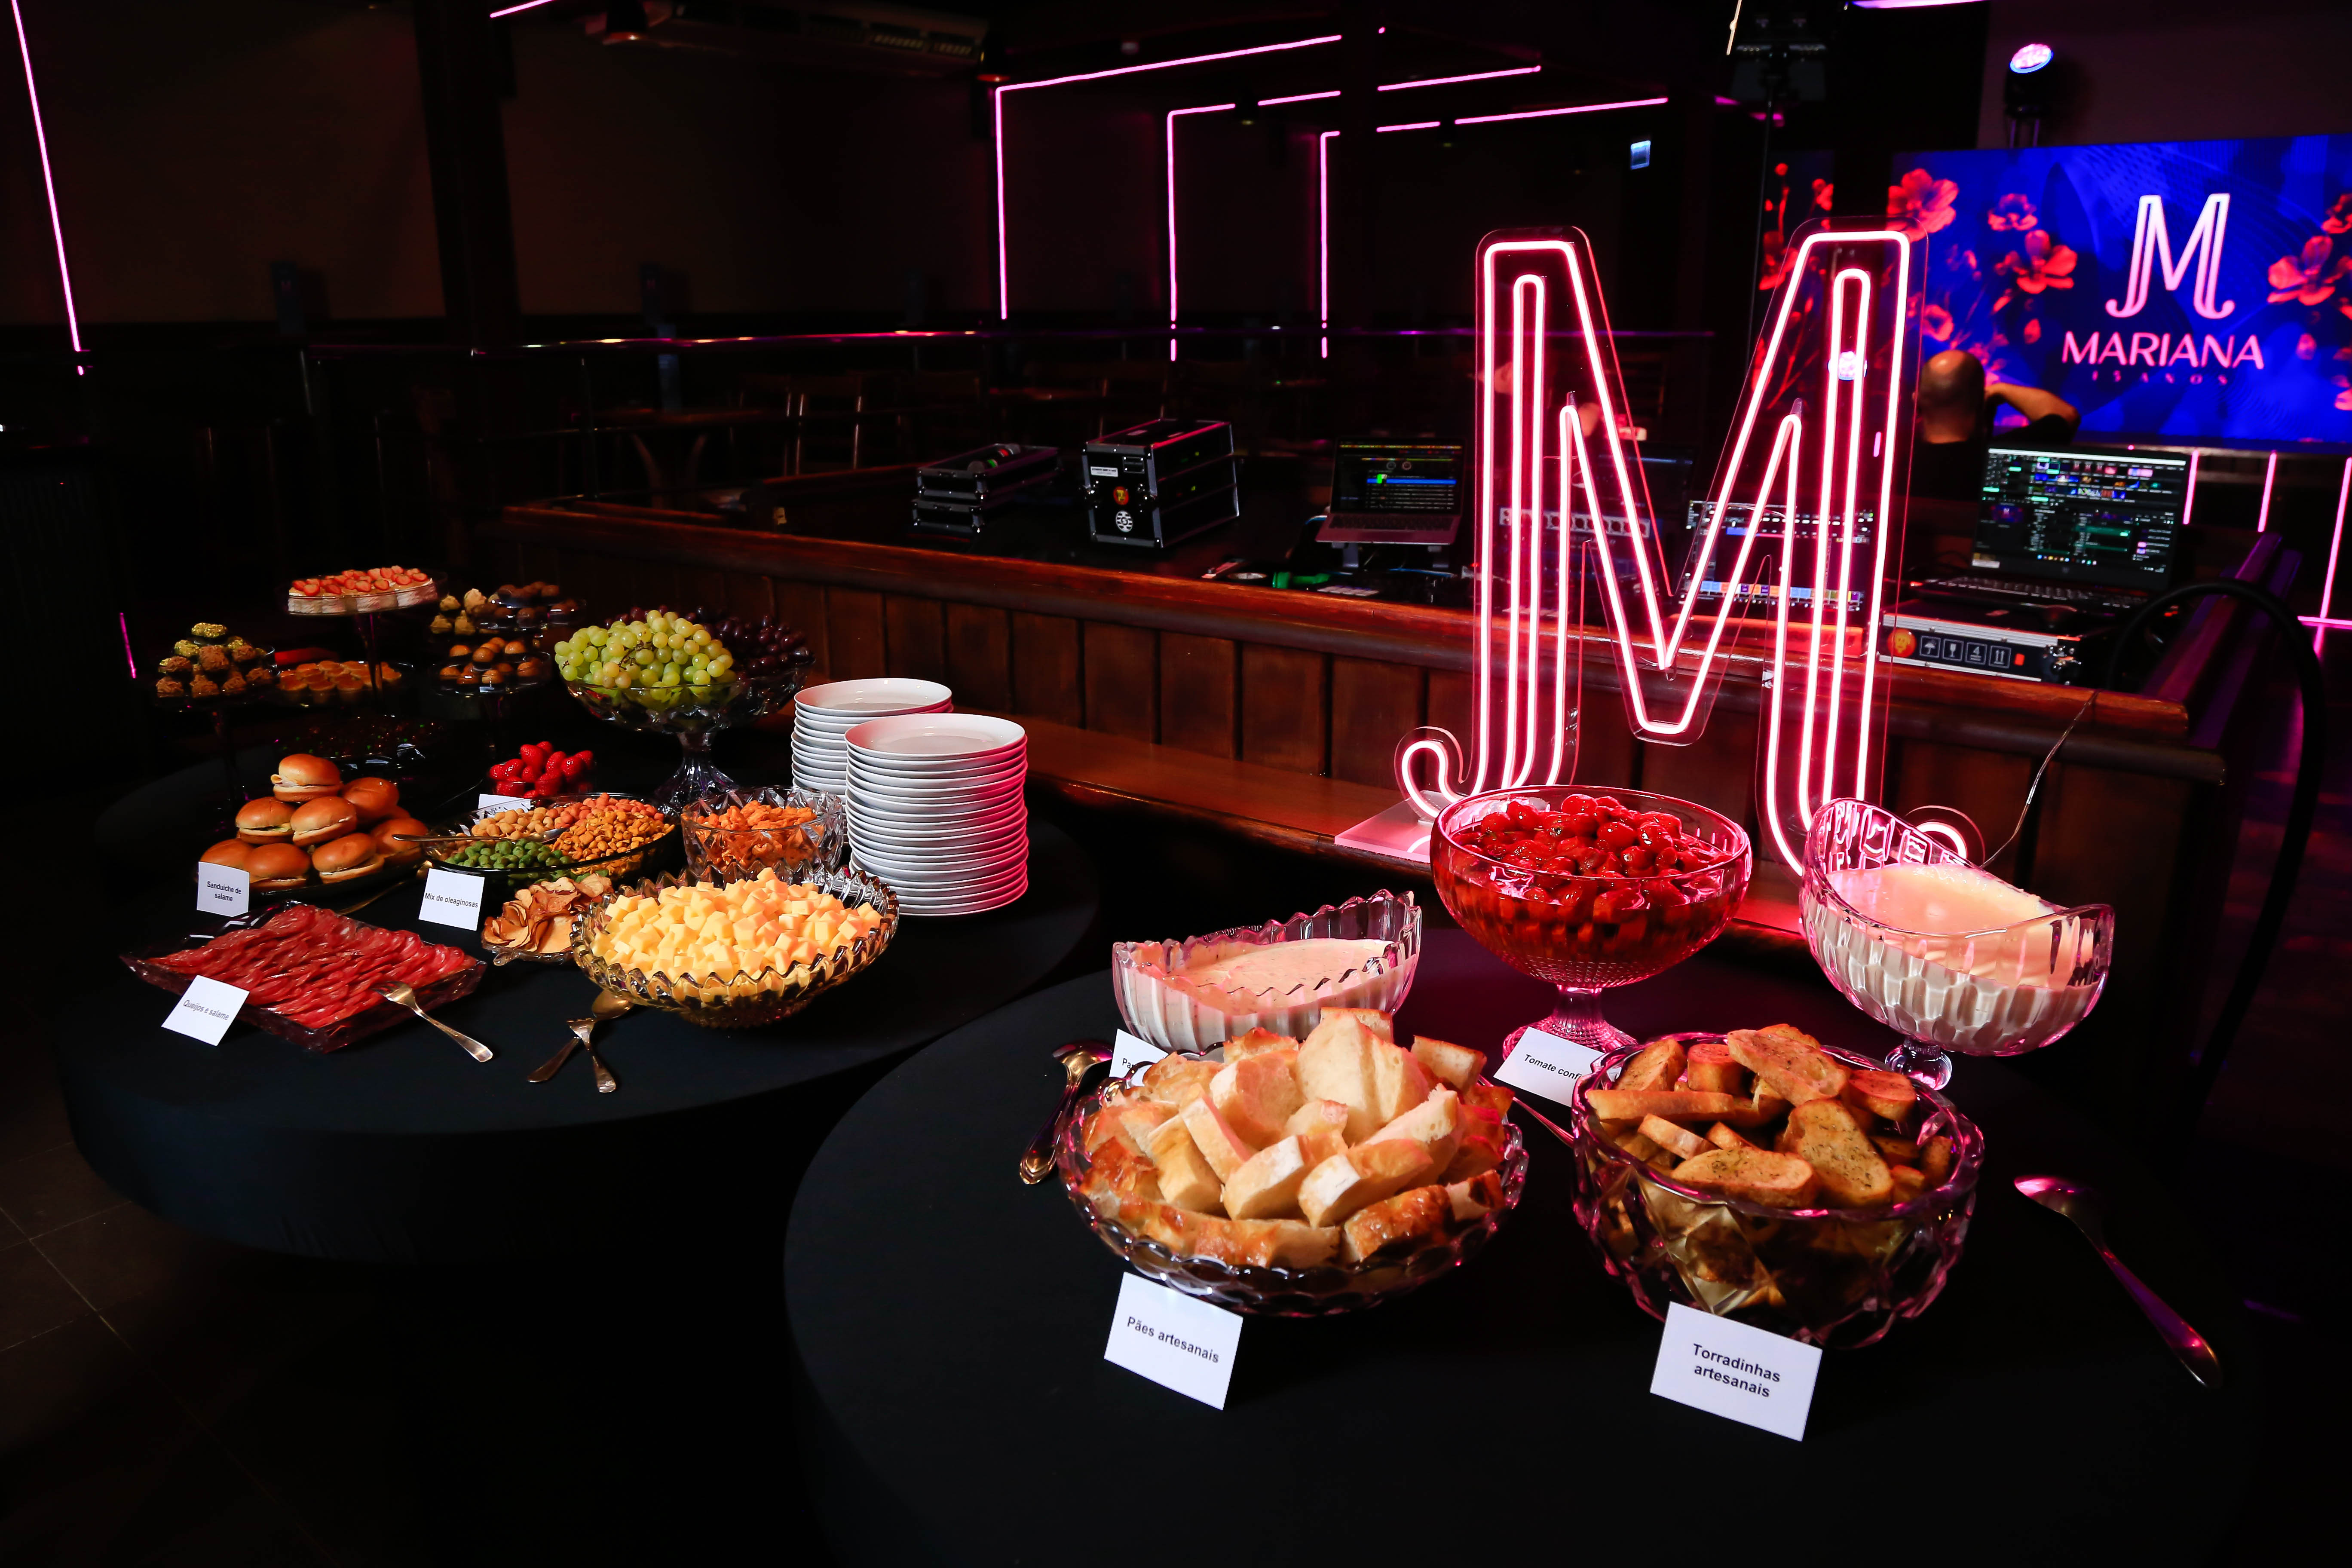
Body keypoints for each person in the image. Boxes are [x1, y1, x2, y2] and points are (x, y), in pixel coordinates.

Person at [1908, 348, 2079, 501]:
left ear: (1917, 401)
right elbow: (2066, 415)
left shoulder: (1899, 459)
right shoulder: (2002, 460)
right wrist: (1999, 389)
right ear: (1982, 404)